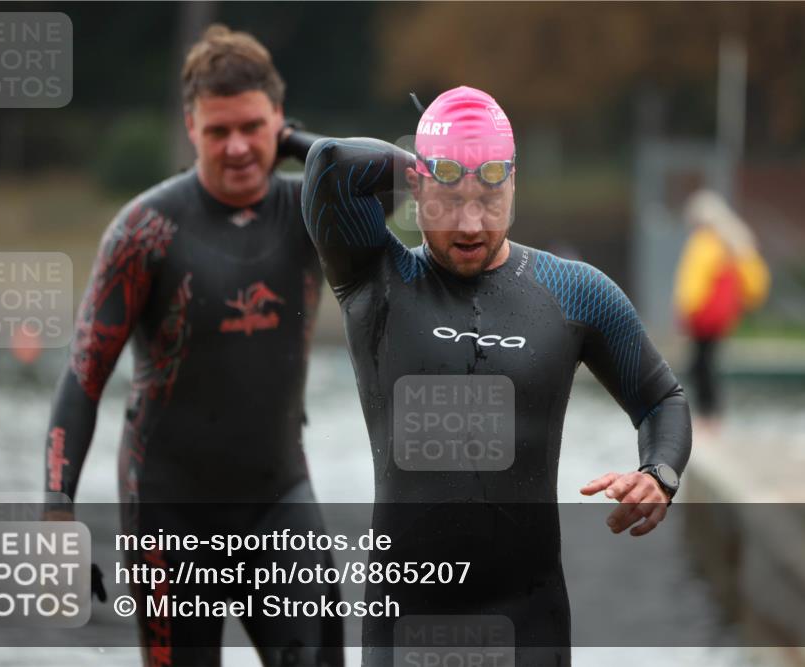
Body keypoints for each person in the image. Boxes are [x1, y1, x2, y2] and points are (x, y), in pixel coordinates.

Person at [302, 86, 691, 666]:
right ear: (416, 188)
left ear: (515, 182)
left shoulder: (574, 292)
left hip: (528, 623)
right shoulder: (376, 282)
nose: (469, 223)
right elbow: (329, 163)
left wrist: (658, 474)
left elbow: (663, 399)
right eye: (449, 199)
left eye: (489, 197)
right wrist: (421, 158)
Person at [44, 25, 342, 667]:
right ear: (189, 128)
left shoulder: (310, 211)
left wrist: (300, 148)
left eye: (253, 127)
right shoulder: (145, 231)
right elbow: (83, 375)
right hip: (169, 515)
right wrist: (56, 505)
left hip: (278, 499)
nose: (237, 148)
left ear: (279, 121)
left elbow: (407, 182)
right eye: (216, 132)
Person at [673, 189, 770, 429]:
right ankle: (713, 414)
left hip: (702, 317)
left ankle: (707, 415)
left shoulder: (704, 243)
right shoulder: (733, 243)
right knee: (708, 363)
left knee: (700, 365)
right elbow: (755, 280)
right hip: (722, 318)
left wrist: (684, 310)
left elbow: (691, 281)